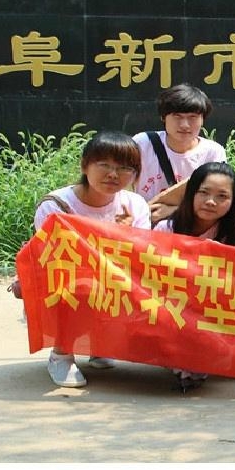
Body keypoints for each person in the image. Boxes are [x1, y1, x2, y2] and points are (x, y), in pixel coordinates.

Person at [33, 131, 152, 388]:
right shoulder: (56, 205)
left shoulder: (135, 204)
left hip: (116, 279)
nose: (113, 174)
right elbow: (55, 261)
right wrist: (113, 237)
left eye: (124, 168)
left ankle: (101, 345)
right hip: (66, 280)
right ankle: (61, 354)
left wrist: (125, 235)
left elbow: (140, 258)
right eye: (104, 165)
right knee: (82, 285)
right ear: (85, 165)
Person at [153, 161, 235, 389]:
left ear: (233, 201)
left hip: (225, 296)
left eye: (222, 196)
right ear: (191, 194)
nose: (211, 201)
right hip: (180, 298)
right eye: (203, 192)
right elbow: (156, 276)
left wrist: (219, 261)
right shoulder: (167, 228)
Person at [133, 83, 227, 224]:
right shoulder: (142, 143)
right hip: (143, 223)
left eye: (192, 117)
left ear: (203, 119)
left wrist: (174, 211)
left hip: (190, 225)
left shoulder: (213, 152)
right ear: (163, 117)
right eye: (177, 116)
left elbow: (215, 200)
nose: (184, 125)